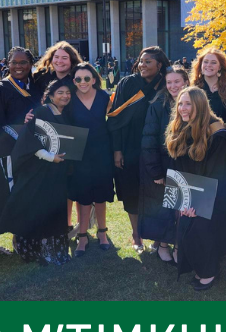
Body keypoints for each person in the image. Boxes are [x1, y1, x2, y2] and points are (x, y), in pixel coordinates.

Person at [167, 87, 226, 291]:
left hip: (213, 196)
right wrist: (182, 201)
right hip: (190, 193)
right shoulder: (181, 127)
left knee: (203, 231)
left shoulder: (217, 133)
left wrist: (197, 203)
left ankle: (209, 271)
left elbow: (217, 173)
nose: (182, 108)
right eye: (180, 103)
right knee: (188, 230)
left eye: (188, 103)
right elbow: (176, 167)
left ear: (200, 105)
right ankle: (199, 267)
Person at [0, 80, 73, 265]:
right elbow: (29, 141)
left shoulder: (66, 113)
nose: (65, 96)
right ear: (51, 95)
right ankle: (36, 250)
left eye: (68, 93)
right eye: (60, 92)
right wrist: (50, 157)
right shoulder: (41, 112)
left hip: (57, 172)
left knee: (55, 208)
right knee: (39, 208)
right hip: (38, 171)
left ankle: (55, 250)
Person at [108, 46, 169, 253]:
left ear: (159, 65)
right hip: (130, 146)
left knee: (156, 193)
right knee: (131, 191)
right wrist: (117, 150)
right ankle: (136, 234)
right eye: (141, 61)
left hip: (156, 147)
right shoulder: (128, 83)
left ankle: (158, 236)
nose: (142, 65)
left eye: (148, 62)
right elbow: (115, 118)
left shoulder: (166, 83)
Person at [0, 47, 42, 228]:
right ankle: (18, 235)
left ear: (31, 64)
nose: (18, 66)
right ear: (8, 64)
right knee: (14, 192)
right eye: (14, 62)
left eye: (23, 62)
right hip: (11, 152)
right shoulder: (0, 89)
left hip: (36, 151)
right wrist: (18, 132)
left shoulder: (36, 88)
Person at [32, 41, 84, 234]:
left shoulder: (78, 78)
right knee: (58, 180)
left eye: (65, 57)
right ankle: (65, 223)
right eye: (56, 57)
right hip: (49, 132)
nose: (60, 61)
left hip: (74, 129)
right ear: (50, 59)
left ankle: (82, 226)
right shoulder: (40, 78)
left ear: (71, 61)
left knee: (75, 180)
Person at [139, 66, 189, 263]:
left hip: (187, 165)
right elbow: (149, 140)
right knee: (164, 209)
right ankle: (163, 244)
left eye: (177, 81)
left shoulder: (195, 101)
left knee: (182, 208)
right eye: (169, 82)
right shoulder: (158, 104)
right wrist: (156, 171)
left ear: (186, 81)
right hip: (163, 164)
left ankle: (179, 245)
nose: (173, 86)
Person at [68, 62, 114, 256]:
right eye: (78, 79)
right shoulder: (69, 99)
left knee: (101, 195)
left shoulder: (105, 97)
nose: (83, 82)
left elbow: (115, 120)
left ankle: (102, 233)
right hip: (79, 154)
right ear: (74, 81)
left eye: (87, 78)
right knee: (83, 196)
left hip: (102, 151)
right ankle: (82, 236)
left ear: (94, 80)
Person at [192, 47, 226, 127]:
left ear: (220, 67)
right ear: (201, 65)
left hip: (224, 136)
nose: (209, 65)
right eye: (206, 62)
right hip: (200, 136)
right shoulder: (194, 89)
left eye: (213, 62)